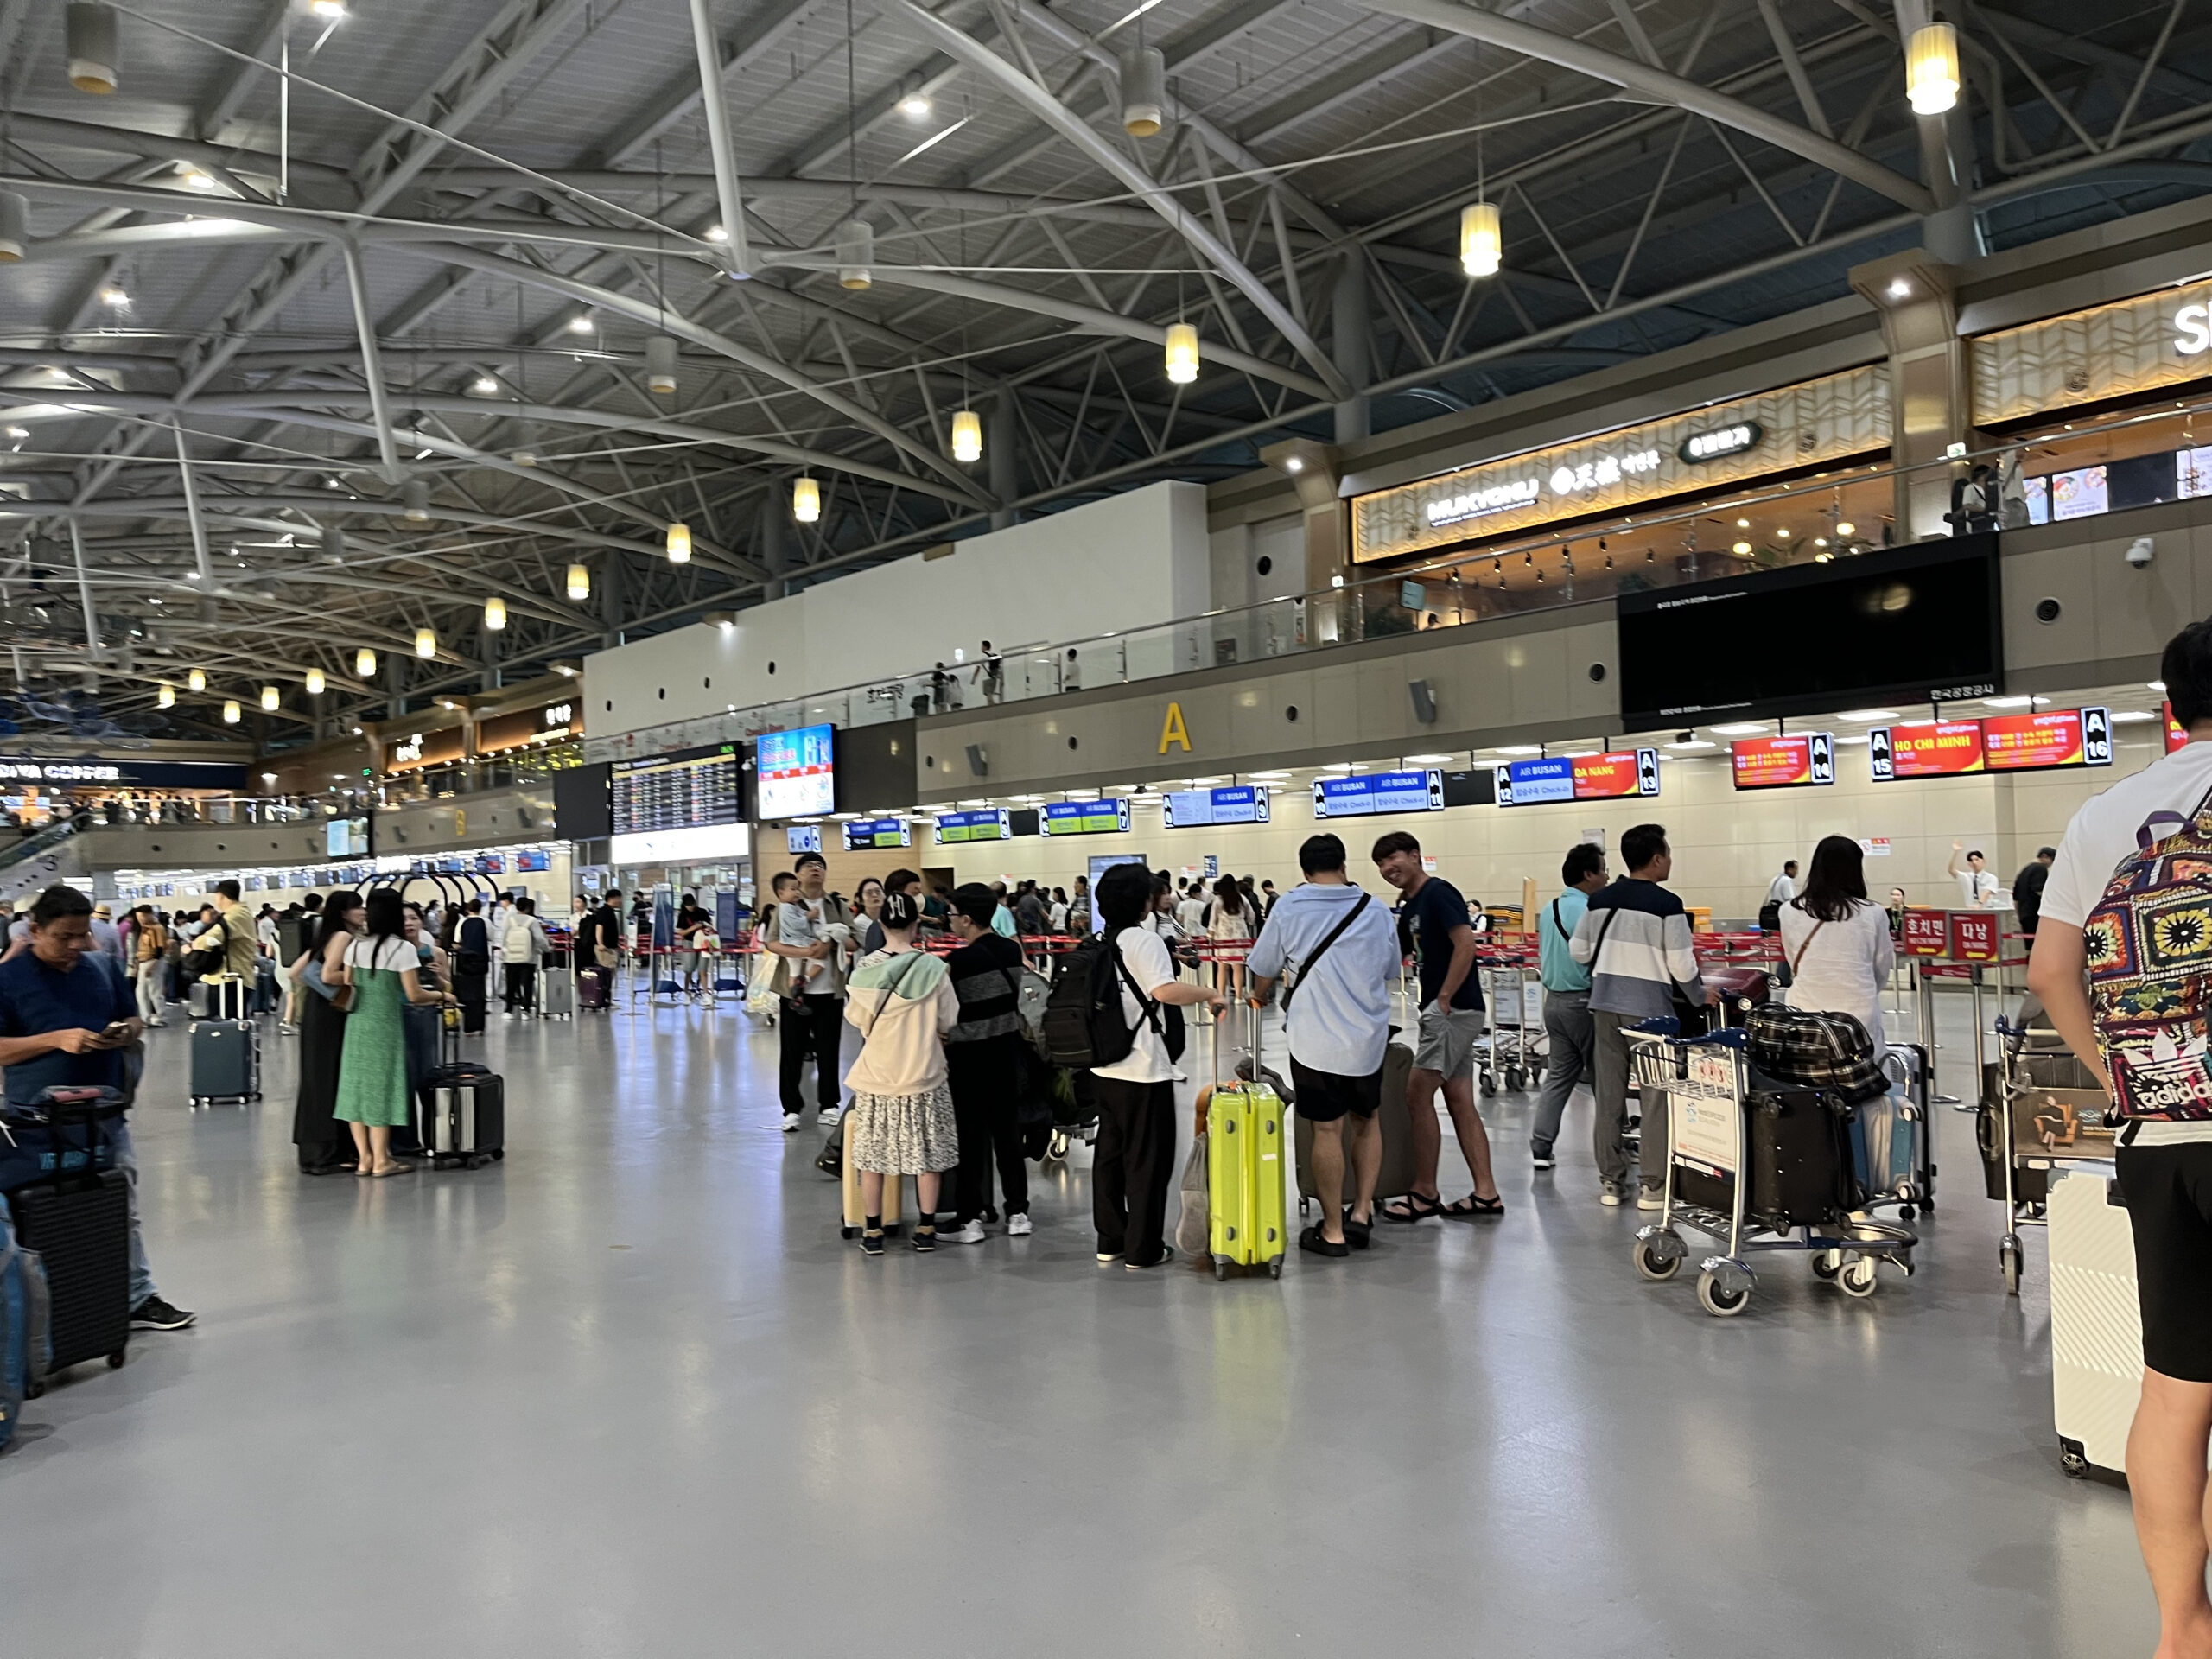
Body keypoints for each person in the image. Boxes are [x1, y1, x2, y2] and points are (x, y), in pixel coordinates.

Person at [2027, 620, 2212, 1659]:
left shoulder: (2104, 815)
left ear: (2167, 707)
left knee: (2175, 1389)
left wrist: (2127, 1076)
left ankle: (2182, 1631)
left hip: (2161, 1133)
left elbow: (2051, 974)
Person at [0, 885, 193, 1330]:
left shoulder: (100, 968)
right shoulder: (8, 981)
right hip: (34, 1124)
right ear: (34, 930)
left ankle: (136, 1296)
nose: (74, 946)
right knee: (34, 1214)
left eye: (82, 935)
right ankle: (34, 1312)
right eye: (63, 937)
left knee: (117, 1204)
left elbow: (134, 1019)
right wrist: (54, 1039)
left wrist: (123, 1033)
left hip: (102, 1116)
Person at [1245, 834, 1398, 1256]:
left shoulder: (1289, 906)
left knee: (1326, 1129)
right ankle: (1363, 1213)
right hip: (1367, 1039)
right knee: (1367, 1121)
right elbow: (1389, 968)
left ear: (1305, 870)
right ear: (1343, 864)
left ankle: (1332, 1230)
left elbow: (1264, 967)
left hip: (1314, 1040)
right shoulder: (1376, 909)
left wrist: (1258, 994)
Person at [1571, 823, 1718, 1210]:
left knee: (1609, 1095)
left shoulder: (1599, 901)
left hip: (1604, 1006)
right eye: (1667, 853)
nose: (1669, 860)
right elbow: (1681, 965)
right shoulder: (1668, 904)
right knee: (1655, 1096)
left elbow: (1580, 953)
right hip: (1651, 1013)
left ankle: (1610, 1181)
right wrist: (1700, 996)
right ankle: (1653, 1185)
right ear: (1656, 859)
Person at [1087, 862, 1226, 1269]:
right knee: (1147, 1161)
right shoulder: (1141, 940)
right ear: (1143, 901)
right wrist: (1209, 992)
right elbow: (1164, 991)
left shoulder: (1097, 940)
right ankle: (1142, 1248)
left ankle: (1110, 1239)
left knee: (1109, 1158)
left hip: (1104, 1066)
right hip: (1142, 1068)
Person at [1371, 832, 1503, 1221]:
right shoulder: (1411, 903)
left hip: (1453, 1011)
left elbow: (1466, 944)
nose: (1387, 869)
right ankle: (1486, 1194)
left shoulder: (1439, 893)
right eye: (1380, 863)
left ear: (1416, 855)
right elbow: (1394, 954)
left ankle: (1425, 1192)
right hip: (1447, 1010)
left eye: (1392, 858)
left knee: (1416, 1093)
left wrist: (1444, 996)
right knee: (1459, 1100)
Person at [843, 890, 960, 1256]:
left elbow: (858, 1021)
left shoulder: (864, 970)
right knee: (927, 1153)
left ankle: (873, 1232)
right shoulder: (934, 968)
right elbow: (949, 1019)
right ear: (915, 925)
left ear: (881, 925)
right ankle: (925, 1227)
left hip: (877, 1075)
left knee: (872, 1156)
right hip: (924, 1074)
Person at [330, 888, 448, 1177]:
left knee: (355, 1090)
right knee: (381, 1089)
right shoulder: (401, 949)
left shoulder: (356, 946)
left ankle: (364, 1160)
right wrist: (441, 996)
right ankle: (382, 1160)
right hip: (384, 1026)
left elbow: (347, 982)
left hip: (356, 1025)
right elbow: (413, 994)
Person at [941, 882, 1032, 1243]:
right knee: (1009, 1137)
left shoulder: (959, 961)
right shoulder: (1011, 950)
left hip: (968, 1060)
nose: (948, 922)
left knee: (971, 1139)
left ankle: (970, 1220)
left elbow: (950, 1015)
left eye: (951, 916)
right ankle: (1018, 1213)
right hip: (1007, 1053)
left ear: (966, 919)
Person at [1777, 836, 1895, 1059]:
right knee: (1864, 1080)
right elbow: (1881, 968)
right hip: (1858, 1014)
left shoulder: (1788, 910)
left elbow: (1794, 961)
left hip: (1804, 1012)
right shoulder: (1873, 913)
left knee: (1810, 1078)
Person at [1529, 842, 1609, 1172]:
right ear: (1589, 874)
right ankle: (1611, 1149)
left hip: (1554, 1004)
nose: (1606, 876)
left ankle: (1541, 1146)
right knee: (1605, 1080)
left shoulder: (1549, 908)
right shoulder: (1590, 910)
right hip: (1584, 1004)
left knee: (1559, 1077)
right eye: (1603, 869)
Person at [765, 850, 854, 1131]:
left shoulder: (837, 905)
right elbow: (772, 942)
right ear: (798, 875)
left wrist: (833, 942)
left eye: (820, 866)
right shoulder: (786, 904)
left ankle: (829, 1106)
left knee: (829, 1050)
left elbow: (853, 943)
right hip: (793, 990)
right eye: (809, 866)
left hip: (830, 990)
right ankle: (791, 1109)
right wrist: (805, 950)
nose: (815, 869)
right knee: (792, 1051)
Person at [292, 890, 361, 1174]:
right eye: (358, 907)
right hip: (331, 1014)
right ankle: (329, 1152)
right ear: (343, 913)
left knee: (315, 1079)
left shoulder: (325, 936)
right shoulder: (343, 937)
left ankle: (314, 1152)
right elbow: (326, 974)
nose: (364, 911)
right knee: (331, 1079)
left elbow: (296, 972)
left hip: (315, 1012)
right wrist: (359, 976)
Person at [1206, 874, 1255, 1004]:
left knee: (1222, 968)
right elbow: (1252, 918)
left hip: (1223, 938)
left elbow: (1213, 921)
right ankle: (1239, 997)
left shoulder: (1218, 900)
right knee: (1238, 968)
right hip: (1240, 938)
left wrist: (1209, 936)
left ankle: (1221, 996)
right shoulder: (1242, 899)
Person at [500, 895, 549, 1015]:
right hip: (528, 958)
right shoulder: (532, 921)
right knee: (527, 983)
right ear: (528, 908)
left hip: (511, 958)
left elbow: (504, 937)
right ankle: (526, 1009)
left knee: (511, 984)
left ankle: (508, 1009)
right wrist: (546, 949)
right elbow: (539, 939)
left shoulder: (509, 919)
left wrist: (504, 952)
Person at [130, 903, 170, 1027]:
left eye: (142, 917)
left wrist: (153, 965)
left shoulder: (157, 929)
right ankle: (145, 1018)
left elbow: (159, 949)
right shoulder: (144, 929)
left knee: (155, 991)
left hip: (153, 961)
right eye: (138, 918)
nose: (140, 920)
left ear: (149, 915)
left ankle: (160, 1017)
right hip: (143, 962)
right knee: (141, 992)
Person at [454, 899, 490, 1033]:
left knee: (467, 993)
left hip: (466, 961)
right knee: (480, 993)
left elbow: (457, 941)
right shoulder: (485, 921)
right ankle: (479, 1026)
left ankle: (468, 1027)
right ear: (480, 908)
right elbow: (491, 936)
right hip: (481, 962)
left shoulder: (462, 922)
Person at [2012, 846, 2057, 939]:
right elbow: (2038, 890)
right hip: (2034, 911)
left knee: (2029, 943)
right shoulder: (2040, 868)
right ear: (2045, 857)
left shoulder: (2025, 869)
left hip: (2023, 911)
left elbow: (2015, 894)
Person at [1947, 842, 2000, 907]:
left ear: (1983, 861)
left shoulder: (1991, 878)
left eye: (1977, 859)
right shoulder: (1966, 877)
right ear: (1969, 864)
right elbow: (1950, 870)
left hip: (1987, 911)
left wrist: (1979, 904)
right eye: (1971, 861)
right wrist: (1955, 852)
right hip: (1971, 910)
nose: (1974, 862)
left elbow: (1987, 892)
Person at [1759, 860, 1798, 931]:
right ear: (1789, 869)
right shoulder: (1787, 880)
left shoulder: (1775, 879)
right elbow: (1790, 899)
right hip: (1783, 914)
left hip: (1772, 912)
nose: (1797, 872)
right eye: (1795, 869)